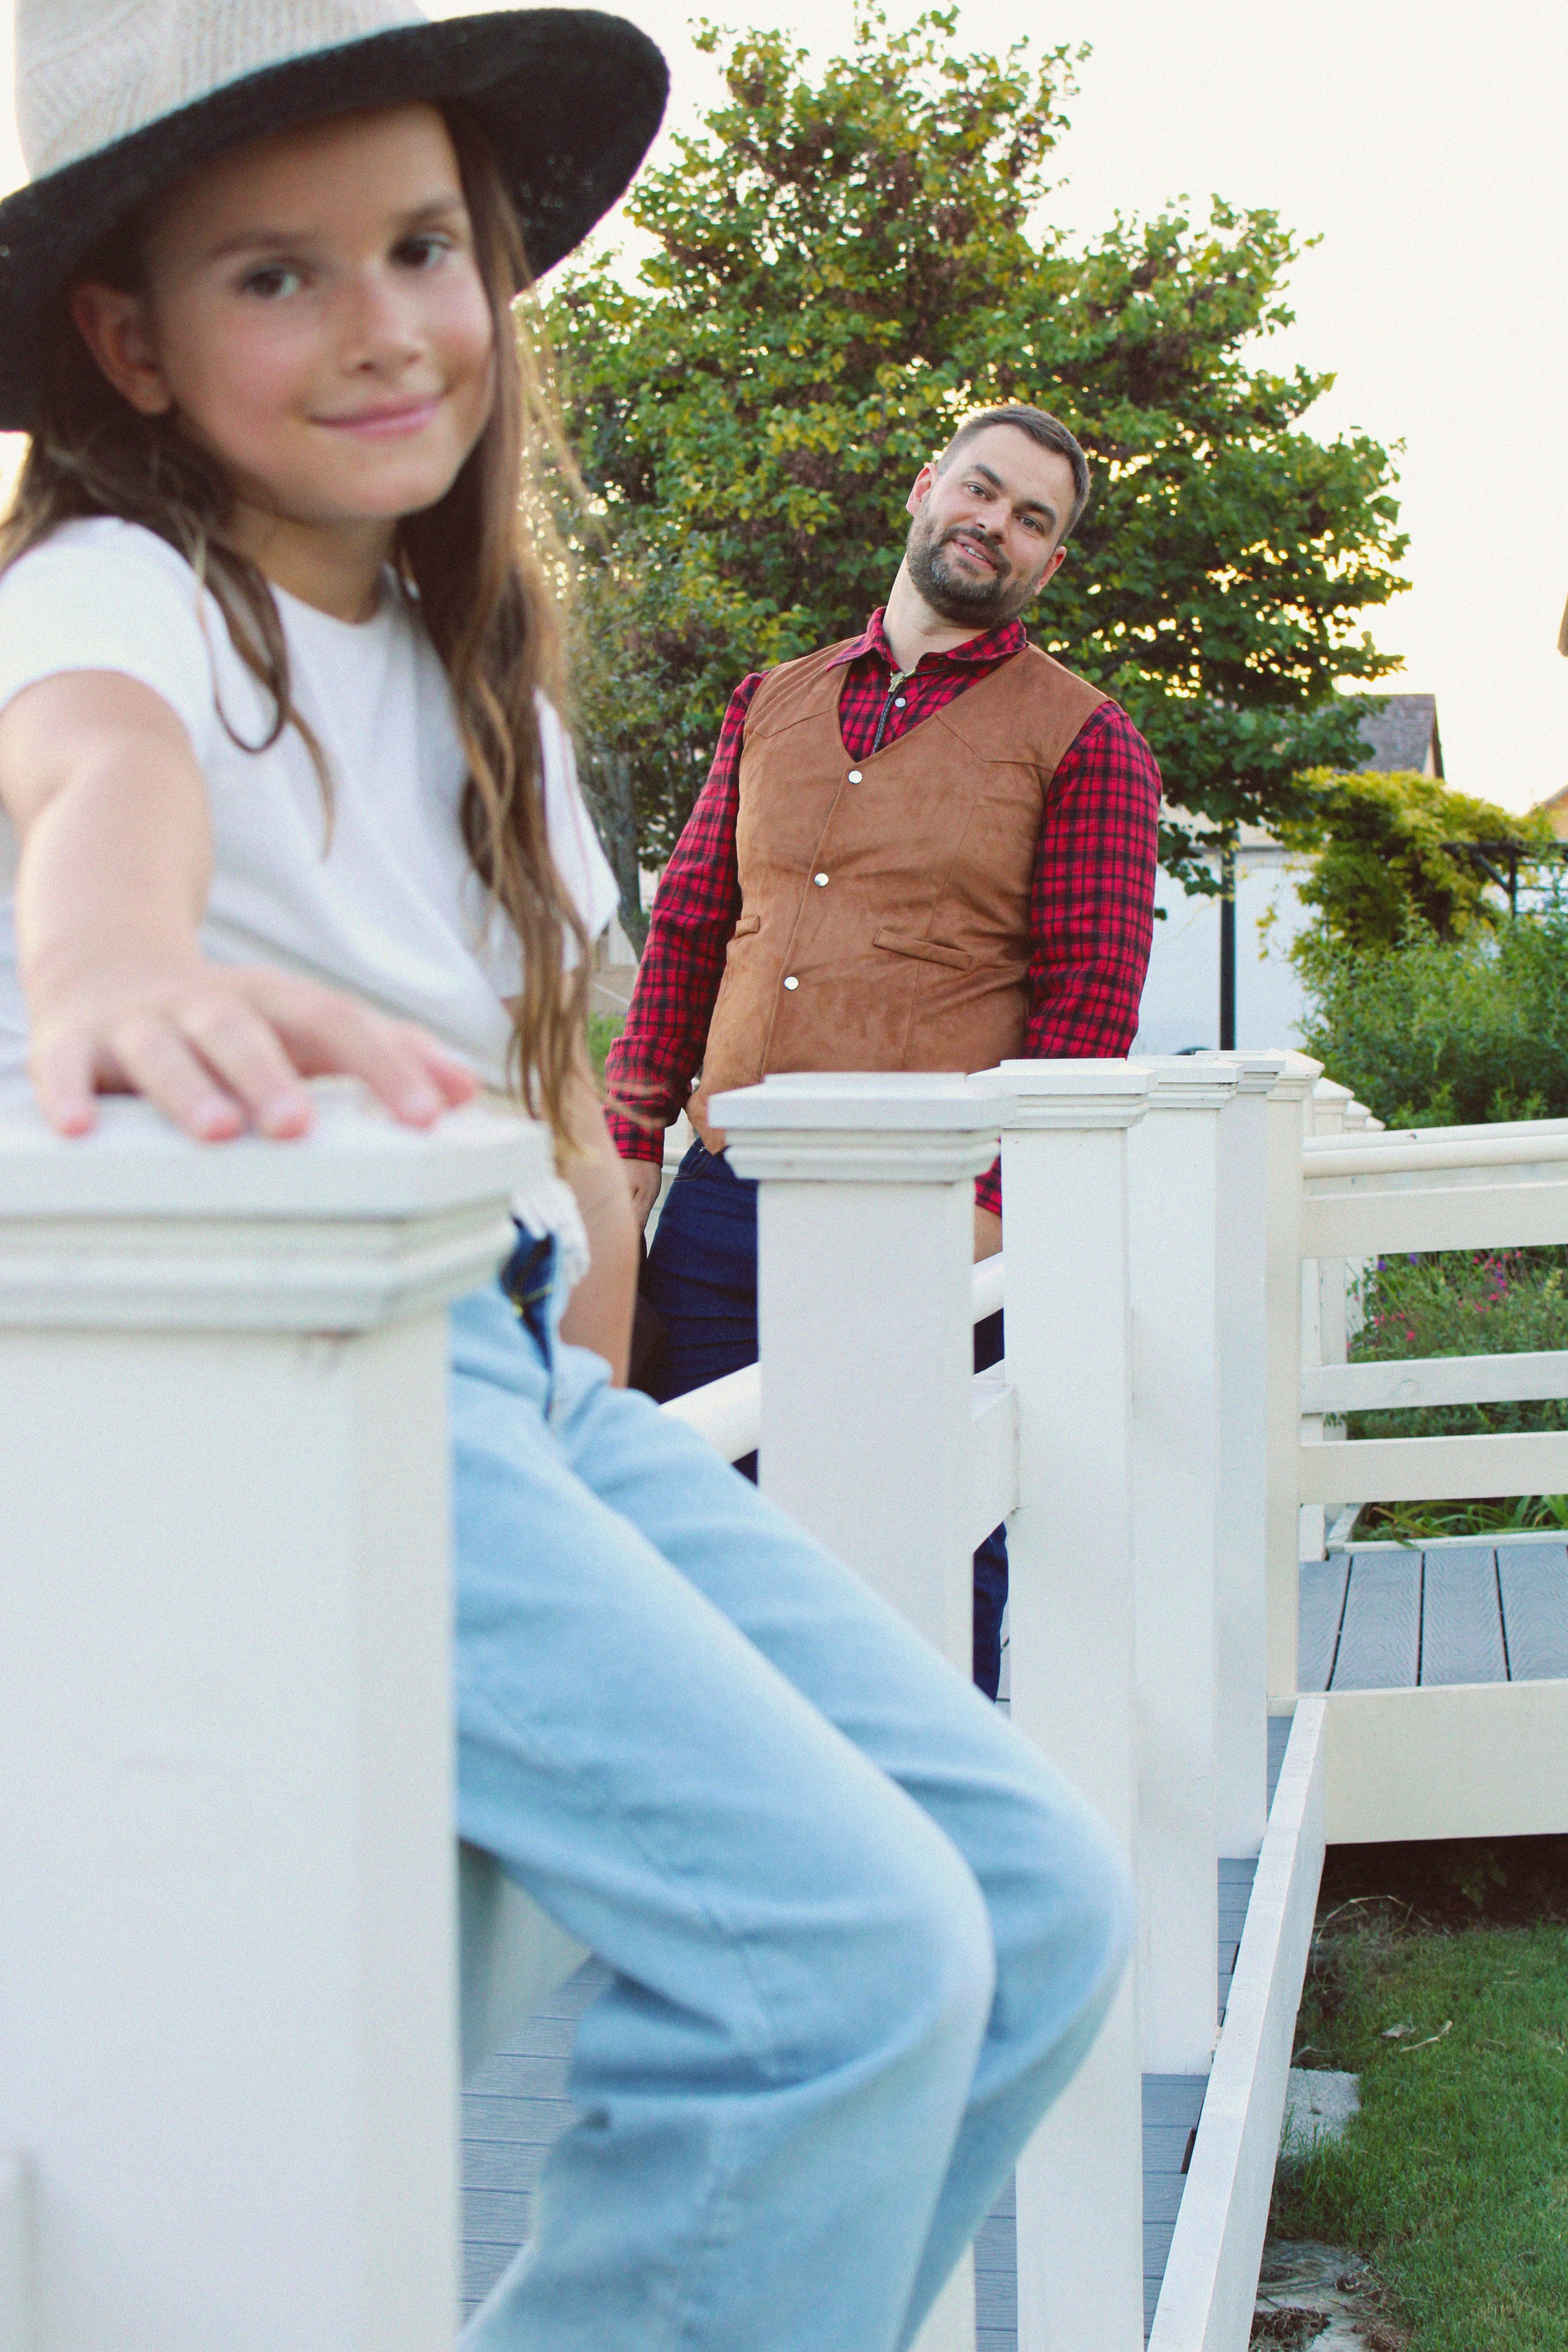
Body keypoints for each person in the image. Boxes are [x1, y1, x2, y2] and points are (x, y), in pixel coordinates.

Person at [0, 9, 1131, 2349]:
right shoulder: (122, 596)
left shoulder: (474, 682)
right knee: (827, 1959)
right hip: (320, 1405)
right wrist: (102, 966)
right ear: (128, 334)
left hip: (527, 1397)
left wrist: (601, 1417)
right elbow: (96, 782)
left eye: (422, 245)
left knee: (1026, 1900)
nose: (388, 321)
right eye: (275, 275)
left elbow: (573, 1076)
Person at [606, 406, 1161, 1695]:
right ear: (926, 489)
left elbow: (1085, 1017)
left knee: (913, 1561)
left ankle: (939, 1864)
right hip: (720, 1210)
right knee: (699, 1540)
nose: (996, 527)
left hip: (924, 1226)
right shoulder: (769, 701)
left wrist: (984, 1211)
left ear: (1048, 565)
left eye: (1033, 520)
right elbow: (690, 929)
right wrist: (631, 1135)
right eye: (981, 491)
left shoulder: (1087, 739)